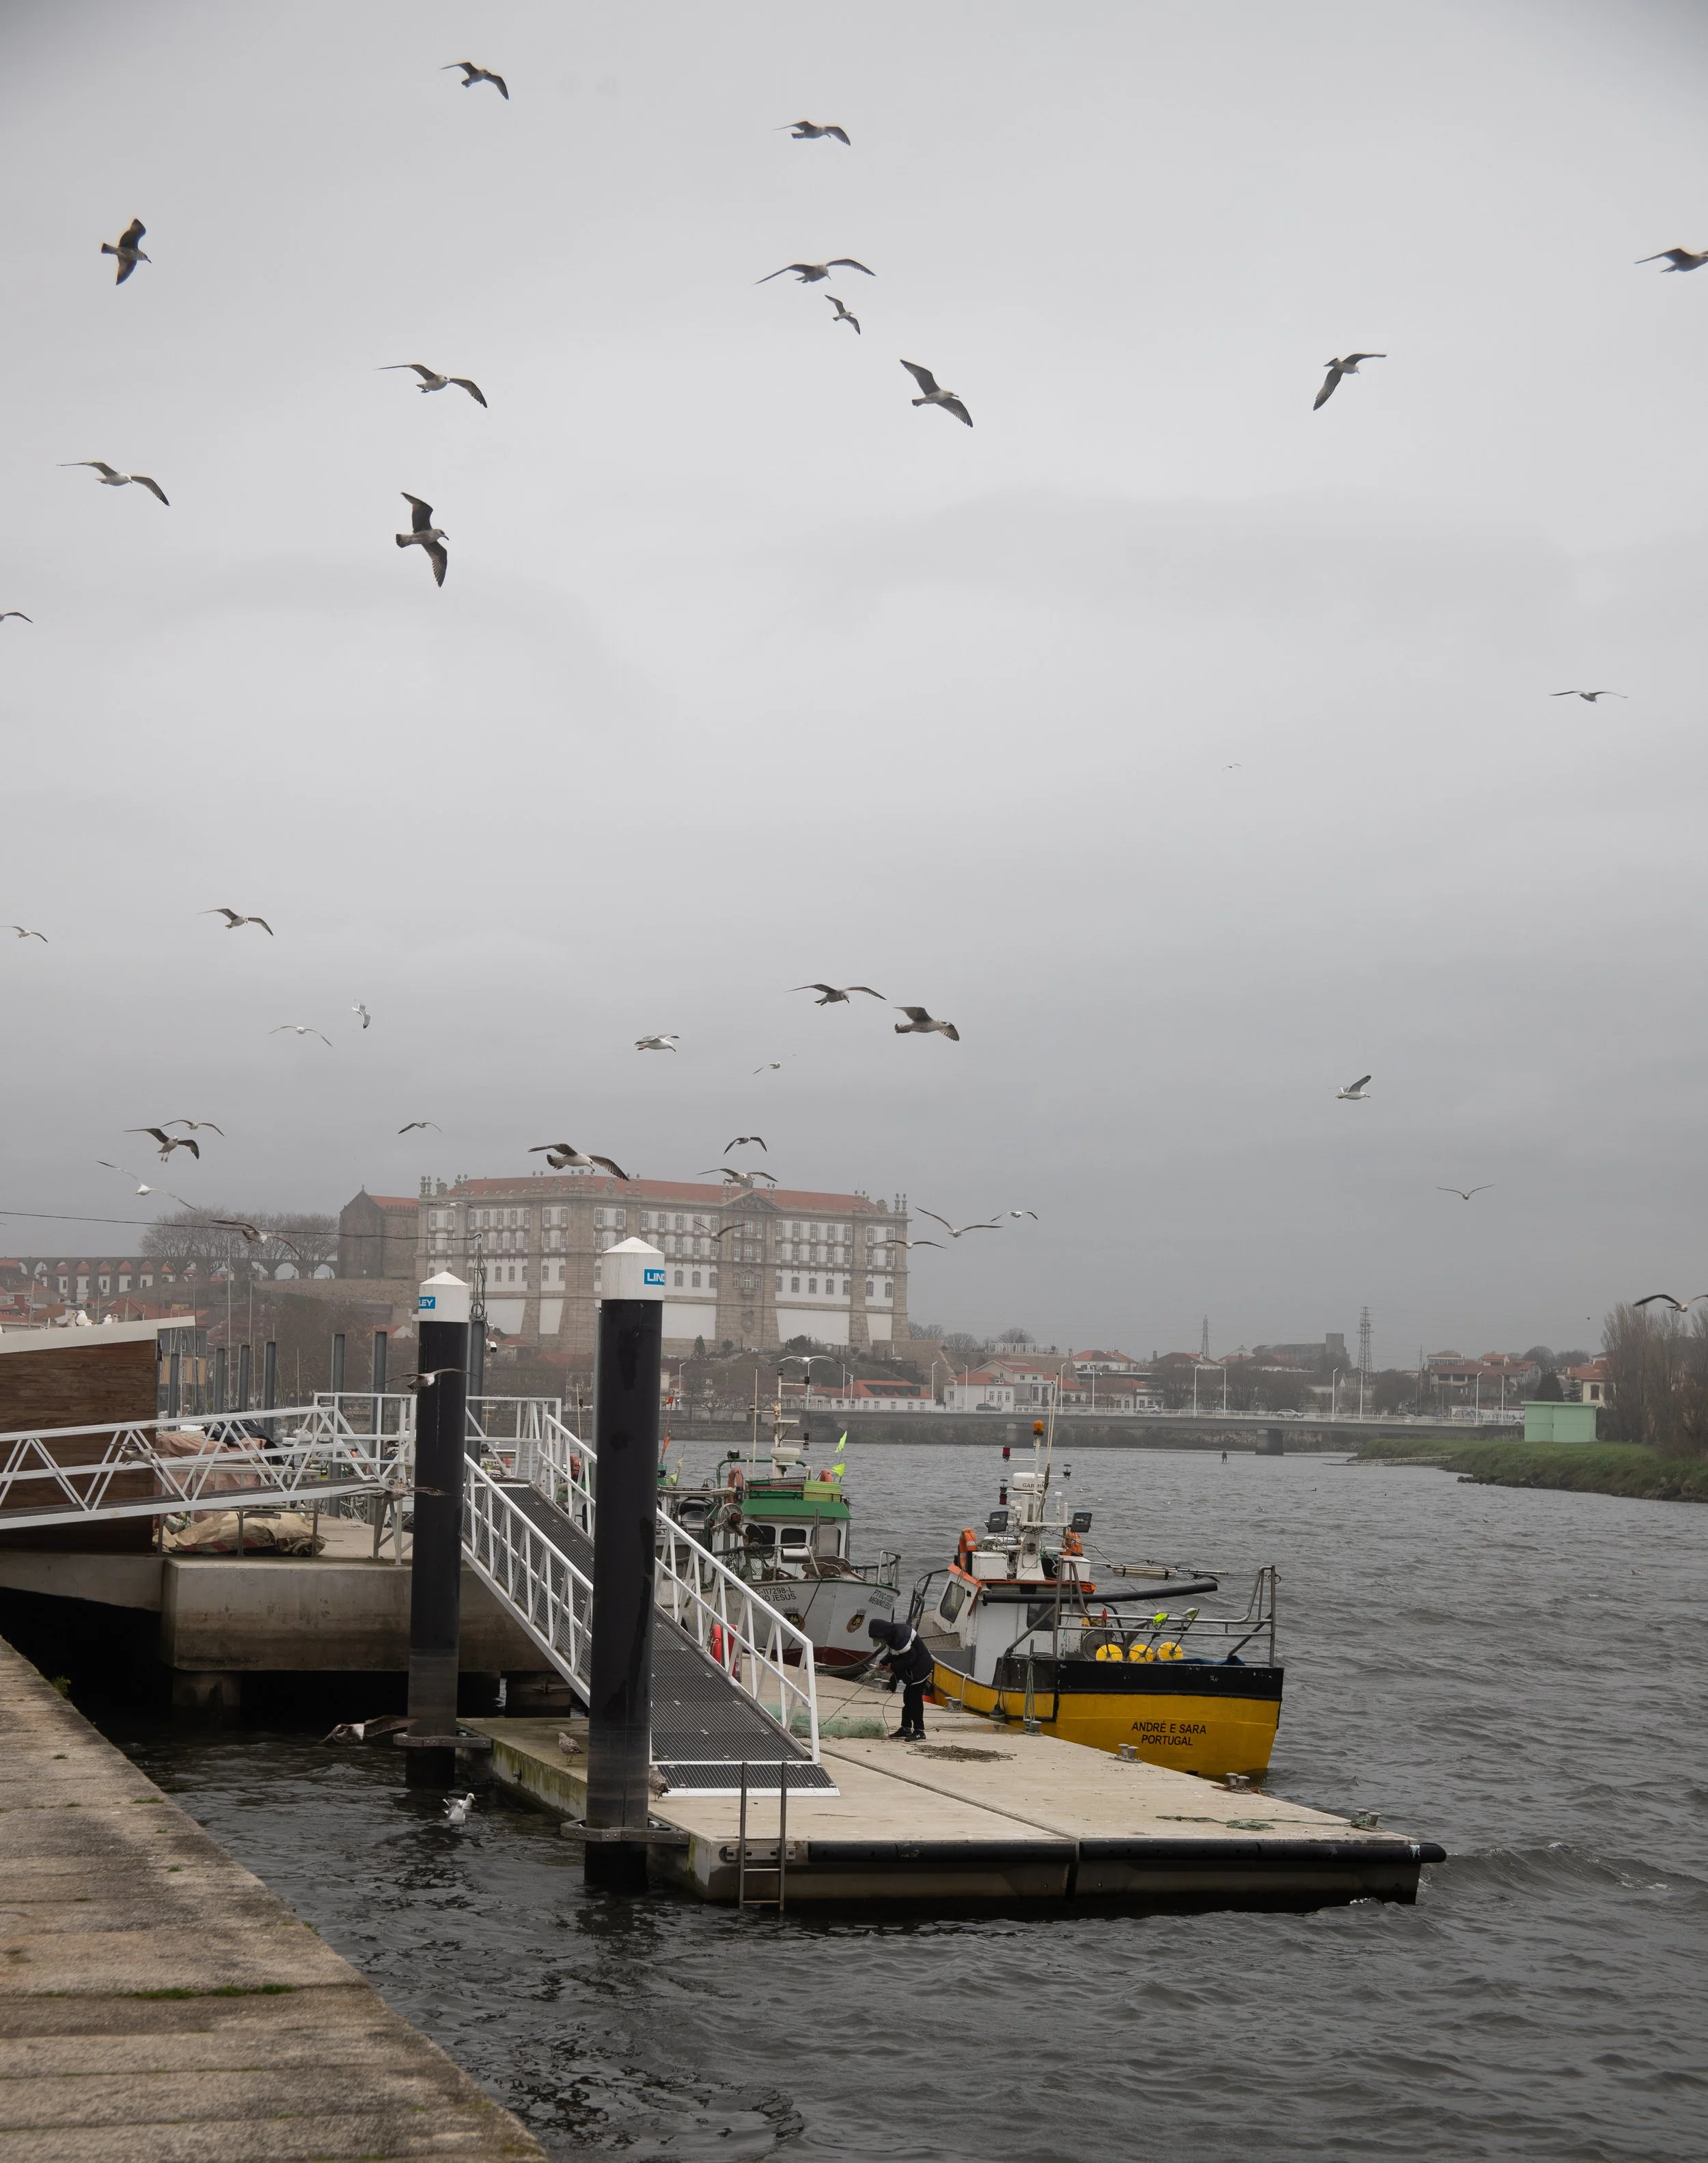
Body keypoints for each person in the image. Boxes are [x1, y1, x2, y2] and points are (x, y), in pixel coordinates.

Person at [868, 1616, 933, 1741]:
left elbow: (910, 1658)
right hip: (912, 1669)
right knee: (907, 1697)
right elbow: (894, 1655)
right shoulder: (891, 1636)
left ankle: (920, 1731)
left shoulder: (901, 1638)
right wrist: (884, 1662)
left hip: (921, 1668)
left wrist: (893, 1668)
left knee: (914, 1699)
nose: (881, 1642)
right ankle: (906, 1728)